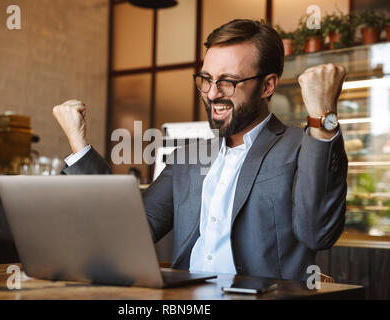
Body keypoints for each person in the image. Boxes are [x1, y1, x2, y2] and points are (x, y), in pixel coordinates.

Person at [53, 19, 347, 281]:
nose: (212, 93)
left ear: (267, 85)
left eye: (228, 82)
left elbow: (318, 233)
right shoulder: (188, 157)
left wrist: (322, 114)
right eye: (206, 79)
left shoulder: (300, 145)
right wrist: (79, 145)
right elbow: (127, 230)